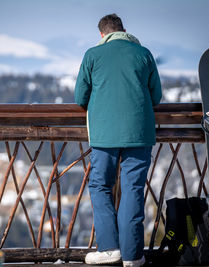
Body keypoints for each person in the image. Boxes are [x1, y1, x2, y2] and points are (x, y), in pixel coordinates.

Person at [74, 14, 162, 267]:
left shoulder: (92, 55)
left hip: (104, 134)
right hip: (139, 132)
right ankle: (133, 255)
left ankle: (109, 248)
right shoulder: (143, 54)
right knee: (132, 189)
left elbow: (80, 97)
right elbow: (156, 96)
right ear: (124, 30)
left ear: (102, 35)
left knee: (100, 186)